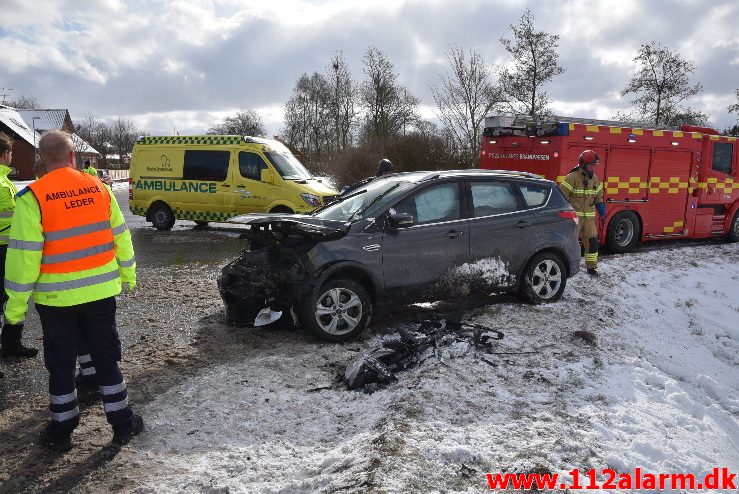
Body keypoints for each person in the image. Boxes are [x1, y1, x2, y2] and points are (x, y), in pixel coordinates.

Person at [4, 130, 142, 450]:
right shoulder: (100, 189)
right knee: (107, 357)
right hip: (100, 293)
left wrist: (15, 310)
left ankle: (62, 428)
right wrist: (129, 274)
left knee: (61, 363)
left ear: (41, 158)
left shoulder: (33, 198)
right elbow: (121, 236)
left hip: (56, 299)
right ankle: (123, 423)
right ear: (73, 157)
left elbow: (24, 259)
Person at [1, 132, 38, 357]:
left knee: (12, 296)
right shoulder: (2, 182)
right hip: (4, 249)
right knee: (13, 294)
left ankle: (11, 343)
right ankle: (10, 343)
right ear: (5, 154)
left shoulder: (6, 180)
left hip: (8, 248)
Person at [559, 150, 606, 276]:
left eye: (594, 165)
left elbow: (598, 196)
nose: (593, 167)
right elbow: (562, 197)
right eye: (591, 165)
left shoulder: (595, 179)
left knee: (592, 243)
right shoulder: (572, 177)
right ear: (583, 164)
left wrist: (601, 210)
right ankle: (565, 268)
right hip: (574, 218)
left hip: (589, 219)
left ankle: (591, 268)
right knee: (569, 243)